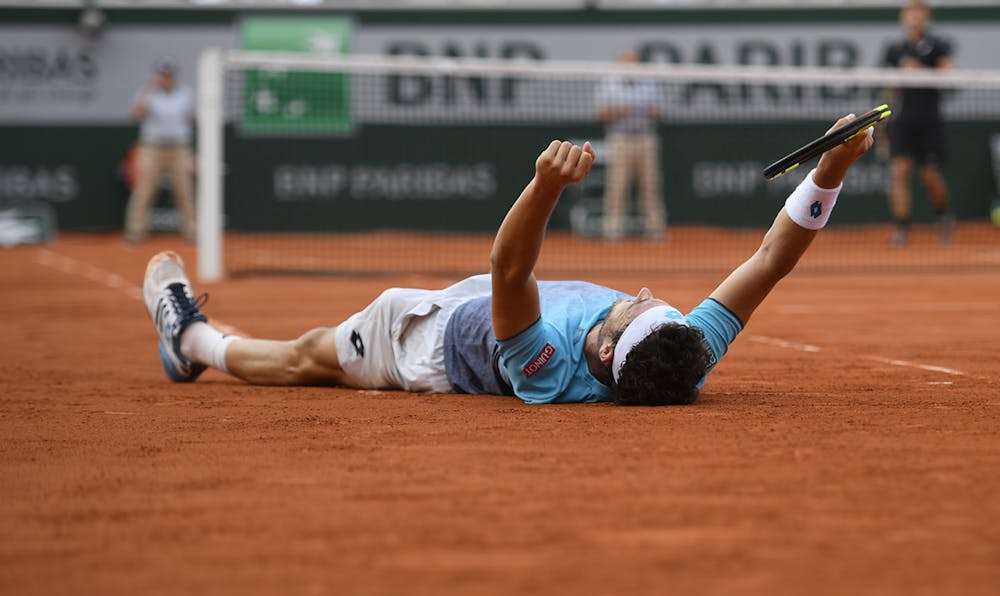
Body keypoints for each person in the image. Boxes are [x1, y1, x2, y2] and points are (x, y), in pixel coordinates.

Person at [142, 113, 873, 405]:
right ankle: (197, 342)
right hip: (472, 301)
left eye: (637, 302)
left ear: (607, 343)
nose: (645, 290)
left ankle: (193, 343)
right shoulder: (684, 349)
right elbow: (774, 257)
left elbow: (510, 271)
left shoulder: (546, 362)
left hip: (421, 344)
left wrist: (545, 186)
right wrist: (834, 166)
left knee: (307, 359)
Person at [883, 0, 954, 246]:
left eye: (919, 14)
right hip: (902, 121)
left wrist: (920, 70)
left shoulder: (938, 46)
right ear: (904, 18)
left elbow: (948, 73)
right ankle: (901, 228)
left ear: (926, 18)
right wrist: (883, 123)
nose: (914, 18)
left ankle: (943, 214)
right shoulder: (894, 49)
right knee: (899, 171)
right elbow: (889, 89)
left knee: (929, 174)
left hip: (929, 121)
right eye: (910, 14)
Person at [593, 50, 666, 241]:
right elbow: (599, 114)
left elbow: (661, 112)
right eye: (626, 63)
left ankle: (654, 229)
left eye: (633, 63)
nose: (630, 67)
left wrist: (652, 111)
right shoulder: (609, 84)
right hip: (620, 139)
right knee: (617, 184)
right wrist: (619, 111)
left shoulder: (649, 83)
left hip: (645, 138)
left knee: (650, 184)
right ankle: (613, 229)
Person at [124, 58, 197, 244]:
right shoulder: (147, 92)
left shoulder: (185, 93)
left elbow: (190, 118)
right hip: (152, 148)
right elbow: (136, 113)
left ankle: (191, 231)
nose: (166, 78)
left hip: (179, 149)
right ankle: (135, 230)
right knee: (145, 189)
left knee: (185, 190)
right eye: (163, 75)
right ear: (158, 76)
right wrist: (149, 90)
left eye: (169, 75)